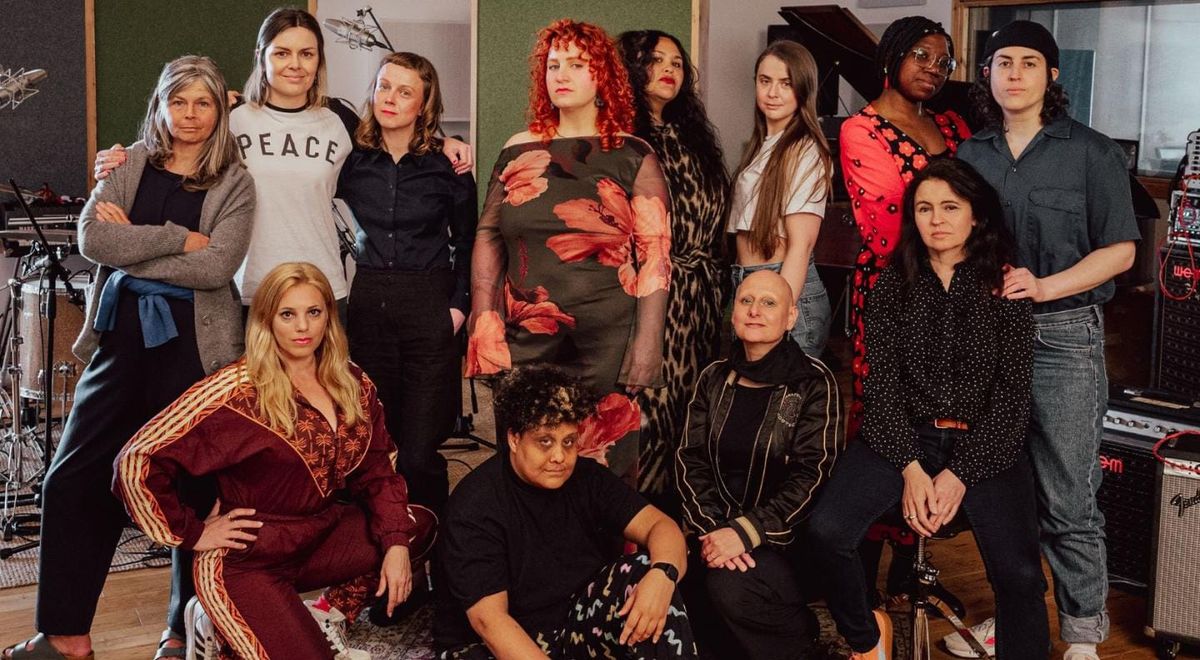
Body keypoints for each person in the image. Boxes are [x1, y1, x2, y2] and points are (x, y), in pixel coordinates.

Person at [2, 55, 255, 660]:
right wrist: (176, 238)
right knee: (71, 477)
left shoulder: (234, 180)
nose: (189, 115)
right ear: (160, 105)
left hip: (197, 346)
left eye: (203, 103)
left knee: (192, 485)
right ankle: (66, 636)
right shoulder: (131, 161)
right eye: (179, 101)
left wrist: (132, 245)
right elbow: (93, 238)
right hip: (120, 339)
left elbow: (218, 266)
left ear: (219, 111)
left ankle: (181, 629)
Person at [113, 262, 437, 660]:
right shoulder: (234, 392)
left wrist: (396, 547)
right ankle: (221, 622)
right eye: (288, 314)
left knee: (415, 526)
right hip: (248, 561)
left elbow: (378, 471)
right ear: (267, 320)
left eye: (313, 313)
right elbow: (136, 460)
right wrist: (193, 534)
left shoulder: (352, 382)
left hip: (318, 537)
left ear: (328, 319)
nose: (303, 327)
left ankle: (324, 614)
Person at [808, 158, 1048, 660]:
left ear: (976, 215)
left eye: (949, 207)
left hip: (985, 445)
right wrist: (912, 470)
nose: (936, 218)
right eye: (924, 208)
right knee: (827, 531)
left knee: (1022, 576)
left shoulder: (1007, 287)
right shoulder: (893, 285)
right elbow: (881, 391)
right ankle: (868, 639)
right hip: (905, 438)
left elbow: (1011, 400)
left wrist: (959, 473)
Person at [956, 21, 1139, 660]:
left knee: (1068, 492)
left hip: (1064, 339)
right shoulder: (971, 155)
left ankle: (1083, 634)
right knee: (1002, 491)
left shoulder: (1092, 153)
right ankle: (1015, 620)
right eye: (1002, 61)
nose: (1013, 73)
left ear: (1051, 75)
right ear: (988, 73)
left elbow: (1119, 252)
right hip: (987, 338)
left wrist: (1046, 286)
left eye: (1028, 63)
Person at [94, 8, 472, 312]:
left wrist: (444, 142)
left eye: (306, 54)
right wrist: (121, 158)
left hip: (321, 291)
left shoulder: (339, 119)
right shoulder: (231, 118)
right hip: (243, 291)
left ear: (318, 61)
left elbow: (392, 144)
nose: (295, 64)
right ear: (263, 56)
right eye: (282, 52)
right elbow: (176, 135)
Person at [466, 19, 671, 478]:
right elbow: (487, 236)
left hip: (608, 343)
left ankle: (606, 553)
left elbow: (656, 255)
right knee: (525, 463)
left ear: (602, 76)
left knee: (601, 468)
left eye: (576, 65)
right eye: (553, 64)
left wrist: (648, 343)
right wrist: (484, 324)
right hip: (526, 338)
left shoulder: (634, 154)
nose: (560, 74)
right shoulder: (517, 150)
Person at [435, 365, 697, 659]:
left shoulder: (587, 477)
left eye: (568, 442)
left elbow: (660, 526)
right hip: (496, 640)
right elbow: (490, 622)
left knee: (649, 571)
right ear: (514, 438)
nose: (559, 456)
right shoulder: (475, 505)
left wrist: (664, 576)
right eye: (544, 442)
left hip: (573, 620)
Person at [675, 269, 842, 659]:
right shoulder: (713, 378)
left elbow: (813, 475)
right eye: (746, 301)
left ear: (790, 318)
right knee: (673, 584)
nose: (754, 311)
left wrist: (747, 531)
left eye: (769, 303)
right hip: (714, 534)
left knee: (728, 588)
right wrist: (716, 534)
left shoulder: (814, 382)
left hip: (783, 541)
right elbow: (689, 460)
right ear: (733, 314)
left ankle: (801, 645)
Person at [338, 51, 476, 516]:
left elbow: (471, 242)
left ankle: (432, 556)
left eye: (405, 91)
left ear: (425, 103)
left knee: (419, 454)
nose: (390, 98)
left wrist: (458, 308)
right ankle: (380, 552)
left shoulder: (448, 165)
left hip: (430, 307)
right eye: (383, 86)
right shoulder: (351, 159)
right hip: (370, 305)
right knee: (377, 444)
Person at [839, 16, 971, 437]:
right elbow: (887, 218)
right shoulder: (861, 129)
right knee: (892, 402)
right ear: (892, 56)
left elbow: (980, 201)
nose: (934, 67)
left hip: (960, 283)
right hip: (896, 283)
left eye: (944, 62)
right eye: (921, 55)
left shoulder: (952, 124)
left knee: (951, 405)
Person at [616, 29, 730, 510]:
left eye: (678, 62)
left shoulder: (694, 137)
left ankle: (681, 524)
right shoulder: (620, 137)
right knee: (646, 417)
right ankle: (637, 529)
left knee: (691, 415)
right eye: (655, 59)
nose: (669, 68)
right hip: (649, 294)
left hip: (702, 296)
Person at [728, 40, 832, 358]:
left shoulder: (805, 149)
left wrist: (779, 310)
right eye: (765, 81)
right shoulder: (763, 145)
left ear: (803, 89)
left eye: (786, 84)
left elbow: (801, 245)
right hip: (751, 285)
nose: (773, 93)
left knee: (781, 406)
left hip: (783, 287)